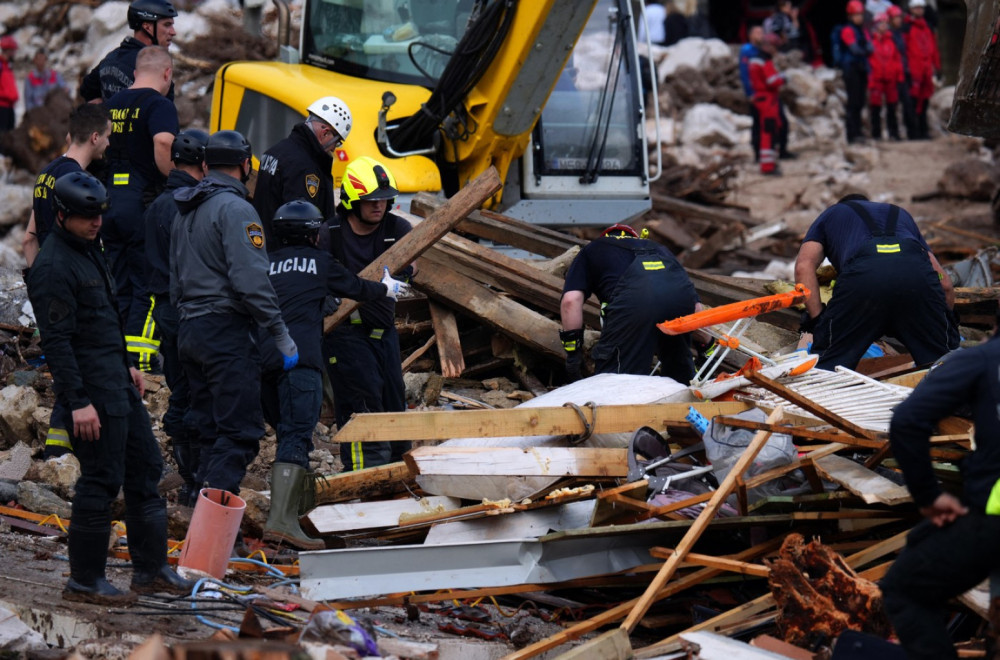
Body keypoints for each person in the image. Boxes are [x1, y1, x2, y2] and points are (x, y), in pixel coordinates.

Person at [27, 172, 193, 605]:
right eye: (86, 217)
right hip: (91, 392)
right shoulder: (53, 265)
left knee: (145, 470)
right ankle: (84, 580)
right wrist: (78, 402)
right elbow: (58, 342)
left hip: (117, 382)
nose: (96, 223)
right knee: (100, 481)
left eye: (98, 215)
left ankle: (151, 570)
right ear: (62, 216)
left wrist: (127, 367)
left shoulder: (90, 249)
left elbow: (105, 321)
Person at [260, 200, 406, 549]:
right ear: (313, 235)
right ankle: (281, 524)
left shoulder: (265, 264)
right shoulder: (320, 263)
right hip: (301, 363)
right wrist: (386, 288)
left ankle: (296, 515)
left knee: (285, 434)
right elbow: (356, 287)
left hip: (262, 363)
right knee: (297, 437)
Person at [170, 130, 298, 495]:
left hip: (190, 332)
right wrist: (280, 333)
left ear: (207, 165)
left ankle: (198, 509)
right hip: (225, 333)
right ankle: (211, 525)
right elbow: (251, 281)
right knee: (240, 433)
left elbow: (174, 281)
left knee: (210, 429)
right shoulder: (238, 210)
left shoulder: (186, 211)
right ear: (246, 165)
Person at [881, 332, 1000, 660]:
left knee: (906, 590)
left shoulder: (980, 360)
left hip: (992, 520)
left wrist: (929, 496)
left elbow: (907, 420)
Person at [22, 103, 112, 460]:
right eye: (106, 137)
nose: (108, 145)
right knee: (82, 364)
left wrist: (39, 292)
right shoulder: (78, 183)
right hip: (76, 284)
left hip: (51, 285)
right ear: (94, 137)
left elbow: (29, 239)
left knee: (64, 361)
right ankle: (70, 455)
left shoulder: (46, 174)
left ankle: (59, 453)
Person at [794, 194, 958, 370]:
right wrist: (940, 323)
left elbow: (803, 267)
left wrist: (819, 321)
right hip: (915, 275)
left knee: (828, 367)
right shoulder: (900, 214)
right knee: (945, 365)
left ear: (844, 204)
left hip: (864, 278)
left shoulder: (833, 213)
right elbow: (944, 282)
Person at [324, 156, 414, 472]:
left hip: (383, 333)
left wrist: (407, 275)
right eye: (371, 200)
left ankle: (398, 477)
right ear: (352, 200)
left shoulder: (397, 228)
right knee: (363, 408)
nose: (378, 206)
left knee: (394, 405)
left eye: (383, 199)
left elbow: (415, 260)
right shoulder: (330, 234)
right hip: (345, 334)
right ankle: (364, 482)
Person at [143, 129, 208, 506]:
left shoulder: (156, 206)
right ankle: (197, 481)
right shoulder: (192, 204)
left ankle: (189, 481)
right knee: (198, 393)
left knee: (180, 390)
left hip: (166, 311)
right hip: (190, 311)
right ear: (202, 163)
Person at [103, 46, 177, 372]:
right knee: (145, 286)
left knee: (118, 284)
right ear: (167, 74)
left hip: (108, 202)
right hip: (142, 202)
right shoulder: (159, 105)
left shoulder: (110, 105)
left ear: (134, 73)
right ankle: (142, 361)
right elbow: (163, 142)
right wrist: (171, 175)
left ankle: (116, 356)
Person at [560, 224, 699, 383]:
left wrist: (573, 354)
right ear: (635, 237)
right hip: (681, 301)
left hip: (635, 304)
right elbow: (696, 308)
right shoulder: (660, 249)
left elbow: (571, 301)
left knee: (618, 381)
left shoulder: (594, 249)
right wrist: (706, 347)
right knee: (680, 373)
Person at [252, 96, 352, 245]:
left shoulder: (275, 151)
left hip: (265, 250)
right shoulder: (305, 167)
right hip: (288, 257)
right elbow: (299, 226)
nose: (333, 149)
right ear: (325, 133)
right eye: (336, 142)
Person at [79, 0, 177, 103]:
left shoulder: (111, 58)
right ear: (147, 26)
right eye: (167, 25)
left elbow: (87, 88)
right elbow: (161, 113)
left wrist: (105, 111)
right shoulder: (154, 68)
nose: (173, 32)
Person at [836, 1, 872, 144]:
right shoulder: (847, 30)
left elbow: (870, 48)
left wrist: (864, 50)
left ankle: (858, 131)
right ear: (850, 16)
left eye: (860, 15)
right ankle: (851, 133)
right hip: (851, 69)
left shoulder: (862, 31)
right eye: (856, 15)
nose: (859, 18)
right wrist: (865, 50)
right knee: (853, 101)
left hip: (861, 68)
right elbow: (855, 49)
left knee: (860, 101)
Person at [749, 33, 785, 176]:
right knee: (769, 133)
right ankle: (768, 166)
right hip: (768, 100)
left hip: (760, 98)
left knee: (764, 131)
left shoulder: (754, 60)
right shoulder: (765, 61)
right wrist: (783, 78)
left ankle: (768, 163)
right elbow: (772, 81)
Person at [905, 0, 939, 139]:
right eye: (916, 8)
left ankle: (923, 130)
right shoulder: (906, 28)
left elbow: (933, 50)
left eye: (921, 8)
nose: (919, 10)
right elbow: (903, 50)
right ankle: (913, 133)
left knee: (924, 102)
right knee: (912, 103)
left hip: (926, 71)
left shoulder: (928, 28)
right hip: (913, 71)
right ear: (911, 9)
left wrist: (937, 67)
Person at [868, 13, 903, 141]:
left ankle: (894, 133)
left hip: (890, 78)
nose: (884, 26)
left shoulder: (891, 41)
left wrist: (899, 75)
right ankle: (876, 134)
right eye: (881, 23)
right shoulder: (871, 41)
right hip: (876, 78)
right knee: (875, 107)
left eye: (885, 23)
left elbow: (897, 59)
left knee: (892, 106)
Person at [888, 4, 918, 139]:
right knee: (892, 105)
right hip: (893, 75)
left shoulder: (902, 33)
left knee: (908, 103)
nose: (898, 20)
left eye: (899, 17)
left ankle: (912, 132)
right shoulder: (889, 36)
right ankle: (894, 133)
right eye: (895, 18)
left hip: (904, 72)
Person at [740, 26, 765, 162]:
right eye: (757, 33)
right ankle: (757, 153)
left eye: (762, 32)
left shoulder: (763, 50)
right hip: (755, 93)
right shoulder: (747, 51)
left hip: (766, 93)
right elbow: (744, 73)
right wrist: (749, 92)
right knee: (757, 123)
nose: (760, 35)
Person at [0, 36, 17, 132]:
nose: (14, 53)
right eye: (13, 50)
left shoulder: (8, 66)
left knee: (10, 138)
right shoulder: (1, 65)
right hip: (2, 107)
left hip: (10, 107)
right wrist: (6, 94)